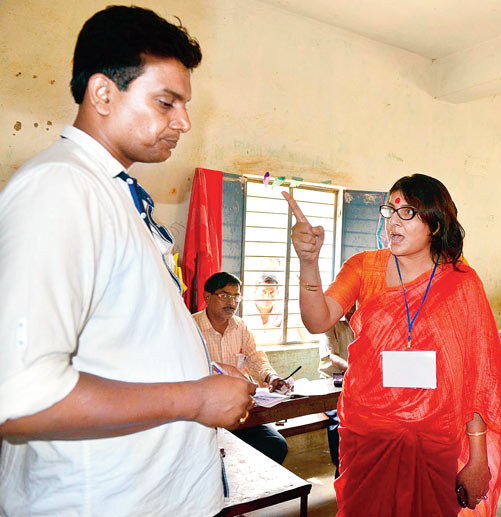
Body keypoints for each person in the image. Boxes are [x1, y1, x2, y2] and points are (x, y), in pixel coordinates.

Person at [0, 7, 256, 516]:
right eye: (167, 102)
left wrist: (199, 370)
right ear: (102, 93)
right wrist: (196, 398)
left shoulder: (114, 193)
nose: (183, 121)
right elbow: (20, 395)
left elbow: (115, 341)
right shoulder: (61, 189)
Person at [283, 174, 501, 516]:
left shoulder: (462, 284)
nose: (393, 221)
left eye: (407, 212)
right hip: (368, 433)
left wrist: (477, 457)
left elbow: (478, 378)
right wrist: (308, 262)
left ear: (435, 225)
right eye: (390, 210)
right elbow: (318, 320)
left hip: (434, 440)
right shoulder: (365, 268)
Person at [193, 272, 289, 464]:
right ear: (207, 296)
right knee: (214, 457)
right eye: (224, 295)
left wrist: (270, 377)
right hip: (205, 415)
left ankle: (259, 493)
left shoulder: (241, 327)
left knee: (276, 445)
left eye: (236, 296)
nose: (232, 302)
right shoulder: (191, 326)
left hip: (240, 412)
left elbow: (255, 358)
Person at [318, 304, 356, 478]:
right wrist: (354, 368)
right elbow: (332, 357)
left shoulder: (363, 321)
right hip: (333, 382)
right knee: (339, 417)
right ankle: (339, 467)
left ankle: (354, 467)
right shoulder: (330, 324)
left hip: (357, 382)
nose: (353, 309)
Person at [244, 273, 284, 344]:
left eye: (272, 293)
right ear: (255, 291)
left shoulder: (282, 312)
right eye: (264, 292)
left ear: (277, 293)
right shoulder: (244, 312)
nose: (267, 297)